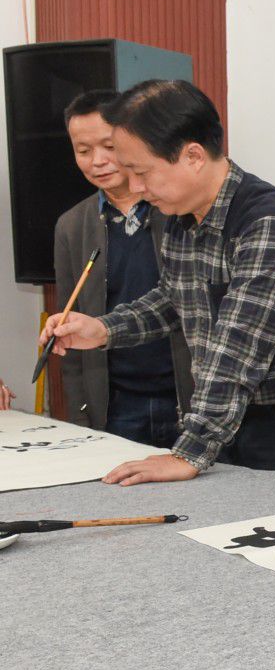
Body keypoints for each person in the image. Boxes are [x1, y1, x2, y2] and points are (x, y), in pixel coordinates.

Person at [41, 79, 275, 485]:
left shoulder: (266, 221)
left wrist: (189, 451)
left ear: (192, 156)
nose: (135, 188)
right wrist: (102, 329)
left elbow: (238, 346)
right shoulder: (181, 216)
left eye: (142, 172)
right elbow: (174, 299)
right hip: (227, 419)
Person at [53, 90, 193, 444]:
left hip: (189, 397)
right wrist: (80, 417)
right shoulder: (72, 225)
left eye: (108, 147)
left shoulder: (177, 208)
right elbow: (70, 326)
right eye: (83, 151)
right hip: (117, 405)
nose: (97, 161)